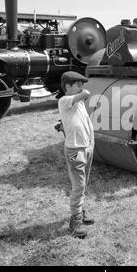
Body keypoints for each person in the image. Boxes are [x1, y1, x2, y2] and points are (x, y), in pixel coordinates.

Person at [58, 71, 95, 239]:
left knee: (83, 184)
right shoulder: (64, 100)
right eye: (78, 85)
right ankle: (75, 223)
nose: (82, 88)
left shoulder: (78, 104)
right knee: (78, 186)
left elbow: (81, 121)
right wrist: (84, 93)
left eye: (82, 85)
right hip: (75, 151)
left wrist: (91, 144)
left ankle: (80, 210)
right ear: (67, 86)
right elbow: (85, 94)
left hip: (86, 147)